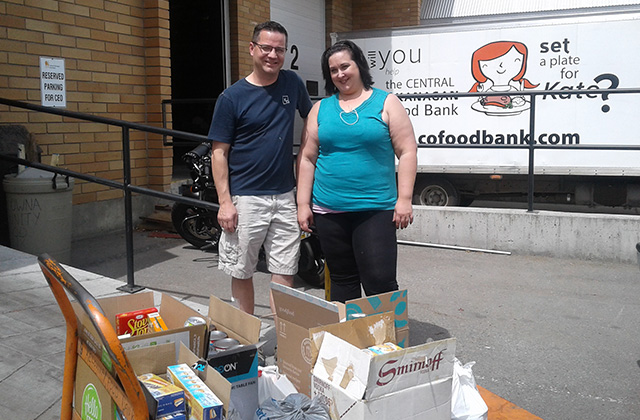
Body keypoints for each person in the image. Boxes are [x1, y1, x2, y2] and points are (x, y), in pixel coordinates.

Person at [296, 40, 417, 302]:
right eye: (333, 70)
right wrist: (303, 204)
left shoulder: (386, 102)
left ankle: (385, 330)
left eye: (345, 66)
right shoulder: (320, 109)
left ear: (359, 65)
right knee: (342, 279)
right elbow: (307, 158)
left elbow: (407, 151)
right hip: (329, 210)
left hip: (375, 208)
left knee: (380, 281)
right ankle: (347, 329)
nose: (340, 74)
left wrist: (405, 199)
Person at [208, 21, 312, 315]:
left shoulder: (292, 83)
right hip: (246, 199)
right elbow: (219, 153)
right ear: (252, 48)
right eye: (266, 48)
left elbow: (312, 118)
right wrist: (225, 203)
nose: (273, 55)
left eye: (279, 50)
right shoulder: (232, 97)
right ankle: (245, 337)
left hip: (284, 196)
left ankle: (284, 338)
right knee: (241, 270)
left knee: (285, 271)